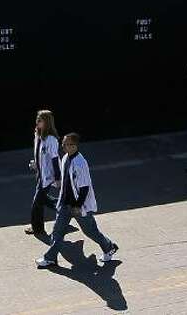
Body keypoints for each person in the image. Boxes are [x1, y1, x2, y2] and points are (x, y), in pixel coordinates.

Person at [36, 133, 119, 269]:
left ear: (75, 146)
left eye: (68, 144)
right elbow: (65, 181)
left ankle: (109, 247)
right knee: (57, 231)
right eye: (63, 144)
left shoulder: (80, 162)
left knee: (91, 231)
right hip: (64, 204)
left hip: (78, 206)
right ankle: (49, 258)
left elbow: (84, 186)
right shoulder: (65, 159)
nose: (64, 147)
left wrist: (78, 205)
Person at [25, 110, 61, 239]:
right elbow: (39, 153)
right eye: (37, 119)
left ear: (47, 122)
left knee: (37, 203)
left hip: (48, 176)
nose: (37, 122)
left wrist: (57, 178)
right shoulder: (38, 135)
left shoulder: (51, 139)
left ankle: (38, 229)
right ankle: (62, 208)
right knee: (43, 199)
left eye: (40, 120)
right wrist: (36, 163)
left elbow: (54, 159)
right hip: (41, 174)